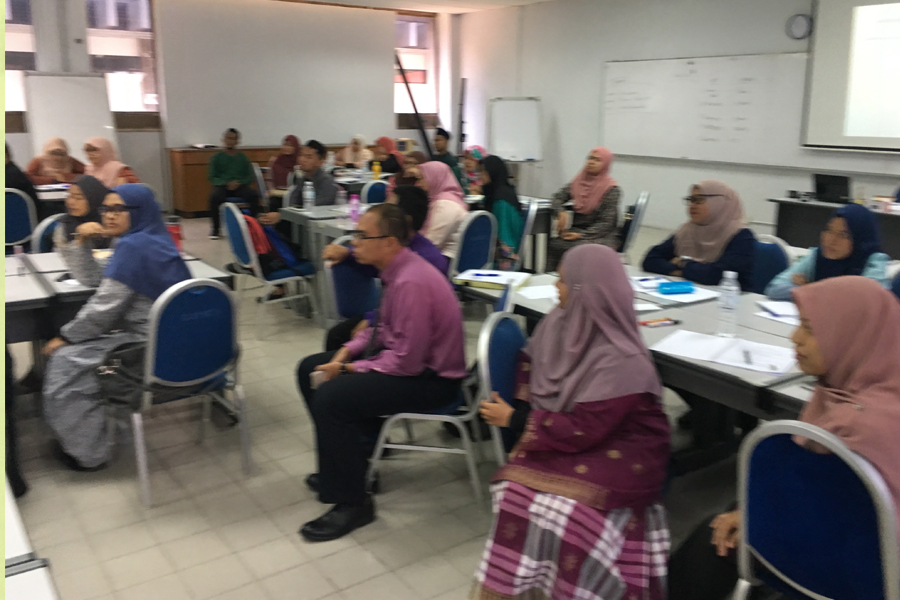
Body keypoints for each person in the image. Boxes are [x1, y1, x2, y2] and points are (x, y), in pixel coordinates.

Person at [669, 276, 900, 600]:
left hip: (859, 565)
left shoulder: (861, 425)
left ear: (852, 335)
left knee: (712, 542)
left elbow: (846, 522)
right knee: (728, 522)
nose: (795, 338)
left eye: (809, 328)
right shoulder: (844, 393)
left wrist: (757, 517)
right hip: (837, 532)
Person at [473, 244, 671, 600]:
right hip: (567, 431)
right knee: (515, 493)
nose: (556, 287)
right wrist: (524, 404)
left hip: (625, 445)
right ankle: (528, 585)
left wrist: (518, 419)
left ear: (586, 292)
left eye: (563, 281)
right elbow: (528, 359)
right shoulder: (560, 320)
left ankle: (574, 589)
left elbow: (585, 428)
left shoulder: (623, 359)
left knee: (576, 516)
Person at [295, 203, 467, 541]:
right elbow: (385, 330)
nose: (354, 242)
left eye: (362, 235)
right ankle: (352, 466)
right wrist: (347, 351)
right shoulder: (397, 271)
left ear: (389, 242)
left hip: (433, 381)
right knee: (308, 369)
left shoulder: (411, 282)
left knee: (331, 396)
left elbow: (406, 363)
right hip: (413, 368)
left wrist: (349, 368)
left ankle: (353, 502)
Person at [41, 184, 190, 471]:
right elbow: (96, 280)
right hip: (174, 340)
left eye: (119, 209)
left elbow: (104, 309)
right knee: (80, 352)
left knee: (65, 361)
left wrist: (65, 337)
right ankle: (92, 436)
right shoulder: (151, 237)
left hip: (151, 348)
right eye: (106, 209)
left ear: (140, 210)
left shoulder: (133, 246)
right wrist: (81, 242)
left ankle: (88, 454)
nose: (109, 216)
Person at [322, 185, 450, 351]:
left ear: (405, 220)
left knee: (343, 342)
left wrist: (372, 320)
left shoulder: (427, 260)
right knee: (335, 335)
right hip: (390, 314)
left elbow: (411, 314)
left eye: (389, 208)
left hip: (411, 334)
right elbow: (375, 269)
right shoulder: (399, 245)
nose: (382, 212)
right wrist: (348, 254)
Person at [643, 180, 755, 291]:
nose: (692, 205)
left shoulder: (741, 236)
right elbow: (650, 260)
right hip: (689, 294)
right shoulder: (687, 230)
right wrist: (687, 271)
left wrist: (682, 263)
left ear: (719, 202)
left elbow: (716, 275)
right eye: (691, 200)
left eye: (699, 200)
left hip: (730, 299)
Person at [765, 203, 890, 300]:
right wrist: (817, 292)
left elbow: (873, 302)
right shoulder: (817, 256)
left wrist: (808, 289)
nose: (831, 240)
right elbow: (774, 288)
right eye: (828, 230)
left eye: (843, 235)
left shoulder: (873, 261)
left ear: (860, 239)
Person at [547, 147, 622, 272]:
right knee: (555, 244)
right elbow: (557, 198)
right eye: (590, 158)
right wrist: (560, 212)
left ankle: (578, 280)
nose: (591, 162)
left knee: (578, 248)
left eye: (597, 160)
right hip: (577, 230)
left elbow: (606, 223)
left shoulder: (611, 189)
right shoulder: (578, 182)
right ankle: (553, 278)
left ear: (605, 164)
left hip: (603, 235)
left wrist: (581, 235)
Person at [53, 175, 113, 288]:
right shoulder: (66, 225)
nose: (70, 202)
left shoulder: (113, 221)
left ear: (94, 198)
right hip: (84, 280)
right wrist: (80, 238)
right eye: (69, 196)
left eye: (78, 198)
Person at [406, 161, 469, 258]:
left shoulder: (445, 205)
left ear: (435, 178)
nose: (417, 184)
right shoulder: (445, 199)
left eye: (421, 178)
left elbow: (431, 242)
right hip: (440, 255)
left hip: (444, 258)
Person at [207, 128, 261, 240]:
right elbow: (212, 177)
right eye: (228, 138)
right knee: (214, 198)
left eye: (233, 139)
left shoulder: (242, 158)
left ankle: (254, 226)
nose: (230, 141)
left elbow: (249, 177)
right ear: (223, 140)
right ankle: (215, 229)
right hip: (223, 186)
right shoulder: (216, 157)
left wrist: (239, 183)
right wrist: (225, 183)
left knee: (253, 195)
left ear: (237, 141)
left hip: (240, 186)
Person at [480, 155, 523, 269]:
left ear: (493, 171)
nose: (480, 175)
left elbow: (505, 238)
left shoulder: (501, 200)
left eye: (484, 171)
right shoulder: (495, 192)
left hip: (503, 261)